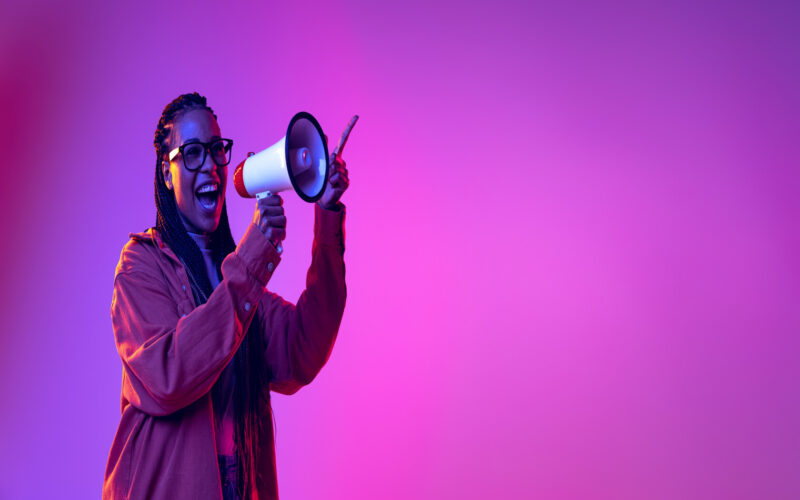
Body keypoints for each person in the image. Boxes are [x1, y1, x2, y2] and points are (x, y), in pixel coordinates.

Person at [103, 92, 349, 500]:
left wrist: (326, 215)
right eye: (193, 152)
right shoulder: (141, 265)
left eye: (217, 150)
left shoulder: (235, 279)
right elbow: (169, 376)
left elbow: (304, 348)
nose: (211, 166)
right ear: (168, 173)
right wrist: (252, 259)